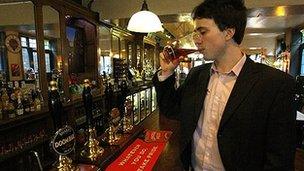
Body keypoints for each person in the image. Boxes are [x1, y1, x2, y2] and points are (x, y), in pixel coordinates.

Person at [152, 0, 296, 170]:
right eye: (195, 33)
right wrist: (167, 72)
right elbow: (171, 109)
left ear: (228, 32)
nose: (196, 40)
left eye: (203, 32)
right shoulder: (196, 75)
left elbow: (279, 159)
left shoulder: (275, 84)